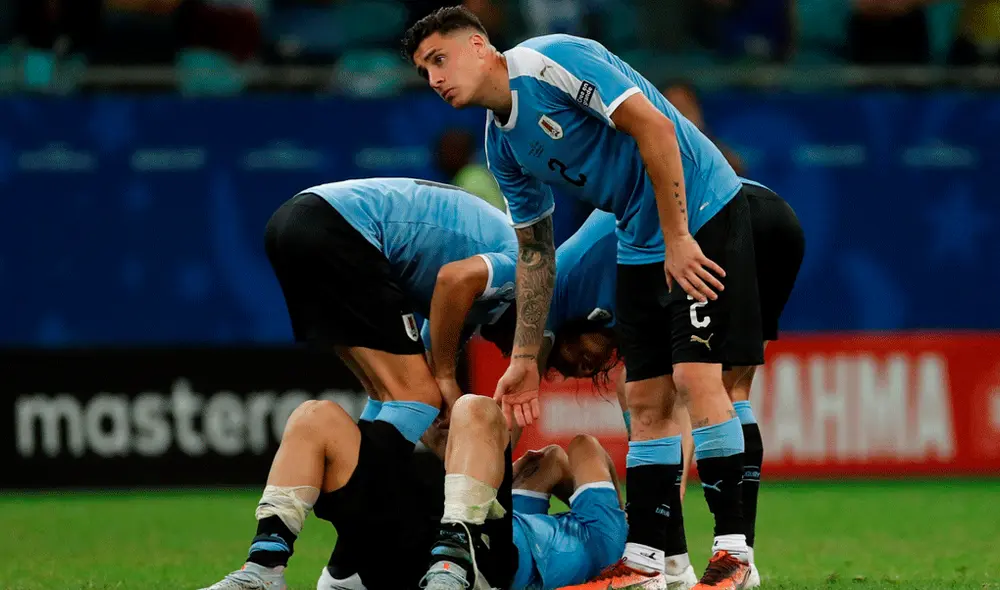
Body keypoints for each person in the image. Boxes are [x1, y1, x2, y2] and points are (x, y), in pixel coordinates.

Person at [402, 9, 804, 588]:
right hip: (637, 235)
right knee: (643, 398)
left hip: (702, 207)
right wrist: (522, 358)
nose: (435, 79)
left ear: (479, 44)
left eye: (439, 59)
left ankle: (734, 558)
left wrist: (679, 237)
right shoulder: (502, 147)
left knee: (697, 379)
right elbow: (537, 253)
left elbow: (656, 128)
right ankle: (644, 564)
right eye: (423, 71)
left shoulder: (551, 61)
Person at [213, 177, 522, 590]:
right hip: (337, 231)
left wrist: (445, 417)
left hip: (294, 224)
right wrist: (447, 378)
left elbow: (431, 346)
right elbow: (453, 281)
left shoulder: (480, 286)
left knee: (394, 398)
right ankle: (351, 558)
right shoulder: (522, 267)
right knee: (420, 395)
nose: (512, 351)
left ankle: (271, 565)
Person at [540, 185, 805, 587]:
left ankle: (685, 561)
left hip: (719, 222)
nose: (583, 368)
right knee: (730, 389)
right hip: (772, 217)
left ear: (562, 333)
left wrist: (659, 523)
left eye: (571, 359)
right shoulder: (584, 277)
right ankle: (734, 558)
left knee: (671, 388)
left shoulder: (571, 285)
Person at [420, 396, 633, 590]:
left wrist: (616, 506)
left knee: (472, 411)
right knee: (459, 423)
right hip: (501, 540)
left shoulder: (608, 534)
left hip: (501, 557)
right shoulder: (592, 532)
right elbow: (553, 459)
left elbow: (584, 444)